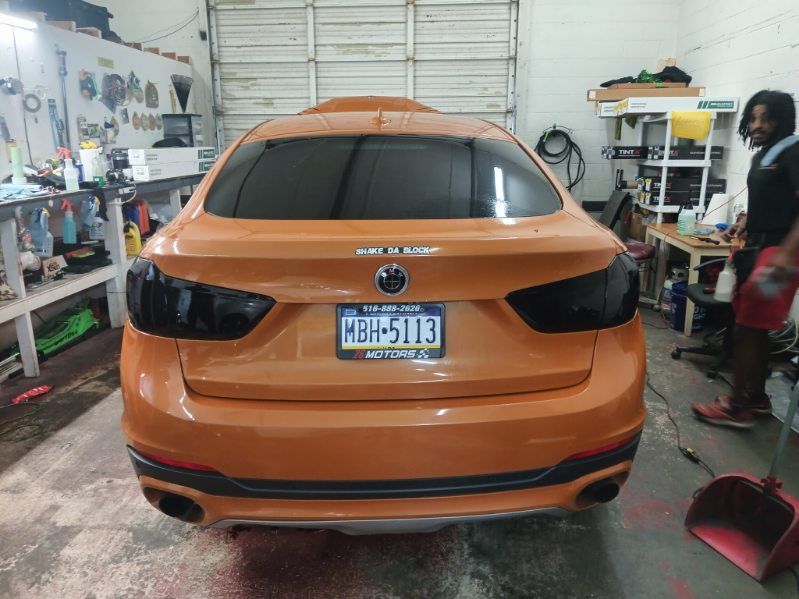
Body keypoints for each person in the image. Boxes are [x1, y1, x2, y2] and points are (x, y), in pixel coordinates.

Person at [692, 90, 799, 429]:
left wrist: (784, 255)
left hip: (780, 252)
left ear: (782, 120)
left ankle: (738, 406)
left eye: (766, 118)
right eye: (752, 118)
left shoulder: (794, 151)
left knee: (747, 329)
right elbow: (773, 202)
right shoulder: (766, 156)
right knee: (753, 327)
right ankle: (756, 397)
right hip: (759, 247)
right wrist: (743, 222)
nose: (757, 125)